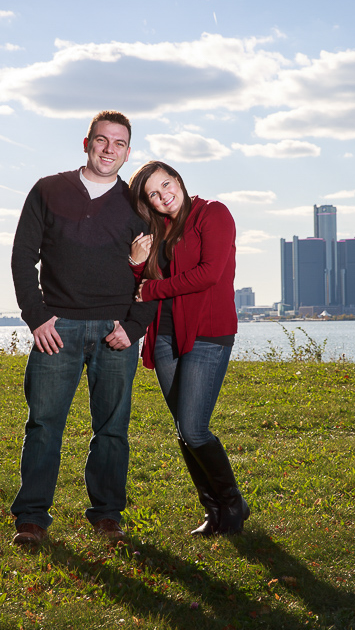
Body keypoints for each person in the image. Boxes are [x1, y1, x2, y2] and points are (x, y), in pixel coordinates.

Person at [9, 111, 155, 545]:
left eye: (120, 143)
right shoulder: (48, 190)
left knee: (112, 427)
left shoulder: (136, 204)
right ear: (86, 142)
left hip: (115, 331)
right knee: (44, 424)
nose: (110, 149)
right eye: (103, 140)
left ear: (128, 152)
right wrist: (36, 317)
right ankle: (32, 519)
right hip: (58, 327)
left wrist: (134, 327)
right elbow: (22, 257)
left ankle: (108, 515)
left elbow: (155, 276)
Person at [128, 160, 250, 536]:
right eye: (154, 193)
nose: (165, 194)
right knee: (183, 429)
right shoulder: (155, 231)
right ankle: (213, 510)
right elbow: (142, 283)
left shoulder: (212, 214)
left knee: (195, 429)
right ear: (148, 202)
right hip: (163, 336)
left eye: (167, 183)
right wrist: (135, 264)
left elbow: (209, 273)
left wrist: (152, 289)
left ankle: (233, 504)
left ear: (178, 179)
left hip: (207, 334)